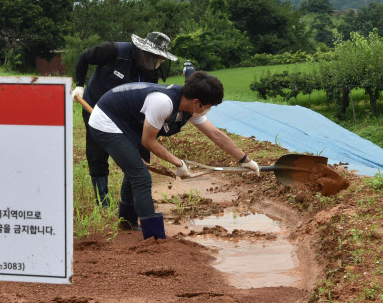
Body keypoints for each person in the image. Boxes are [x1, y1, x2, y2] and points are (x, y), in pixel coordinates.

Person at [87, 71, 260, 240]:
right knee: (141, 177)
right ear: (197, 102)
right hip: (107, 121)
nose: (209, 110)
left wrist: (245, 160)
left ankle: (127, 223)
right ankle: (154, 237)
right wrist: (179, 163)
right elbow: (148, 141)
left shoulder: (189, 108)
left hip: (130, 122)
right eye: (209, 106)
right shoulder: (163, 103)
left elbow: (215, 134)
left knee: (136, 169)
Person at [71, 32, 178, 208]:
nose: (155, 63)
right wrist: (79, 86)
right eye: (153, 58)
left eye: (159, 60)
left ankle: (132, 198)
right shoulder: (113, 51)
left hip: (126, 114)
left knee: (140, 149)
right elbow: (84, 58)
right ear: (144, 51)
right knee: (97, 151)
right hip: (96, 106)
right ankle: (103, 202)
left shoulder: (151, 73)